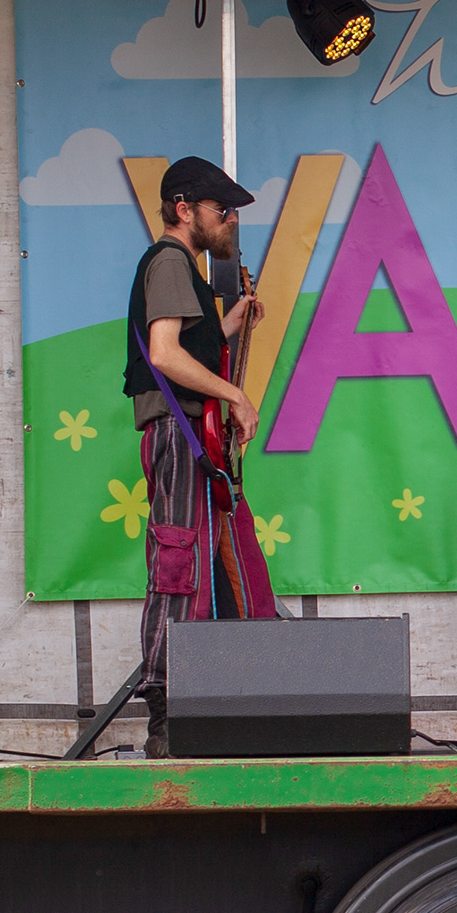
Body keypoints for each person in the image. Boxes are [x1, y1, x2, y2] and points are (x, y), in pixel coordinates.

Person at [126, 156, 264, 756]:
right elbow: (164, 353)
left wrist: (226, 324)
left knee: (204, 558)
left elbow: (189, 345)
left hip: (191, 436)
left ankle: (202, 701)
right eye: (221, 209)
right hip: (179, 433)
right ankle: (165, 710)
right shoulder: (169, 260)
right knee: (179, 561)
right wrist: (235, 394)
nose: (230, 220)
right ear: (184, 209)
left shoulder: (185, 270)